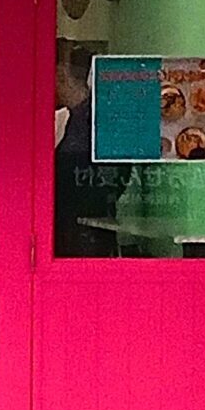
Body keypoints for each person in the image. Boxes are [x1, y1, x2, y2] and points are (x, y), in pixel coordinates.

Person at [53, 42, 130, 257]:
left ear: (64, 77)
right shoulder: (81, 120)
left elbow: (98, 184)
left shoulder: (90, 125)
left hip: (81, 240)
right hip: (86, 235)